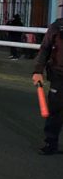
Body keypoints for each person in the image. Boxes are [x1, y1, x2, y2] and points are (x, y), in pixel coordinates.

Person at [32, 14, 63, 155]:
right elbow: (45, 49)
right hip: (59, 75)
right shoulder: (57, 26)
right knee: (55, 111)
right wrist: (38, 71)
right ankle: (51, 143)